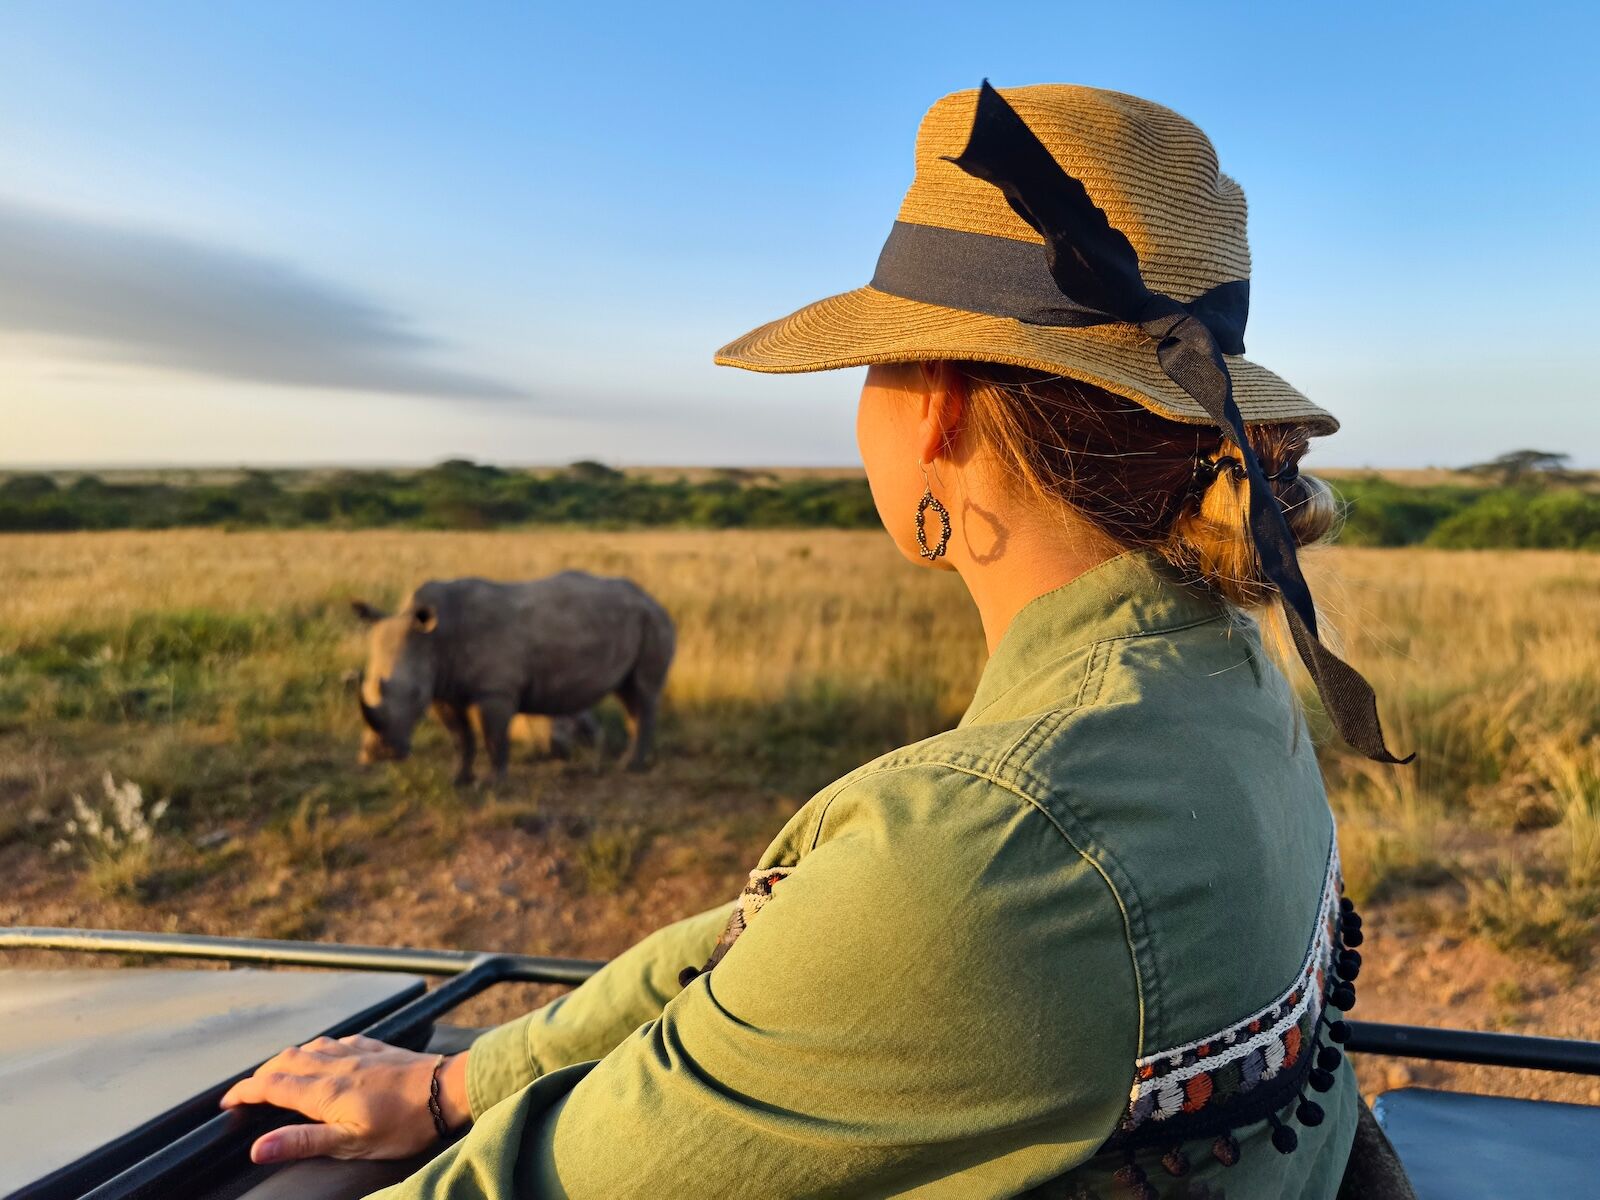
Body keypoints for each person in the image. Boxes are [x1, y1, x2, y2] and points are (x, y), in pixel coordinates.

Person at [221, 82, 1410, 1199]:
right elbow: (782, 940)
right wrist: (453, 1083)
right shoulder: (1225, 670)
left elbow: (568, 1172)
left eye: (873, 362)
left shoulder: (992, 835)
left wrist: (446, 1118)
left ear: (937, 399)